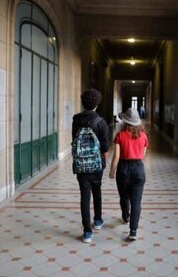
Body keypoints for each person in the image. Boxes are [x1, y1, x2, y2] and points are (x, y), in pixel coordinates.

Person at [72, 89, 110, 243]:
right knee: (97, 190)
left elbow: (73, 140)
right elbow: (105, 147)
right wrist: (104, 162)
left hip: (81, 164)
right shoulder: (101, 122)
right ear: (97, 103)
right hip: (96, 164)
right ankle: (98, 220)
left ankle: (87, 232)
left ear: (83, 103)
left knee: (84, 196)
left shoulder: (76, 119)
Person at [109, 108, 148, 241]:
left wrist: (111, 171)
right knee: (136, 202)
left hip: (123, 168)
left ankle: (126, 216)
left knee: (124, 196)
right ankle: (133, 231)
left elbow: (116, 156)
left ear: (125, 121)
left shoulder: (120, 135)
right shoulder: (143, 136)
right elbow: (143, 155)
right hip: (138, 169)